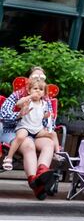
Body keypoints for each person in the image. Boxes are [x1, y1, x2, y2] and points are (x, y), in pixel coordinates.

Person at [0, 67, 60, 198]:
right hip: (15, 130)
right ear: (28, 81)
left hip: (36, 130)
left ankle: (42, 172)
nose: (38, 79)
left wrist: (47, 121)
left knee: (49, 143)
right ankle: (34, 182)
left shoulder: (45, 100)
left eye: (42, 78)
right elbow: (3, 115)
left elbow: (50, 121)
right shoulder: (17, 96)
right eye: (35, 77)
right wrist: (19, 114)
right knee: (28, 144)